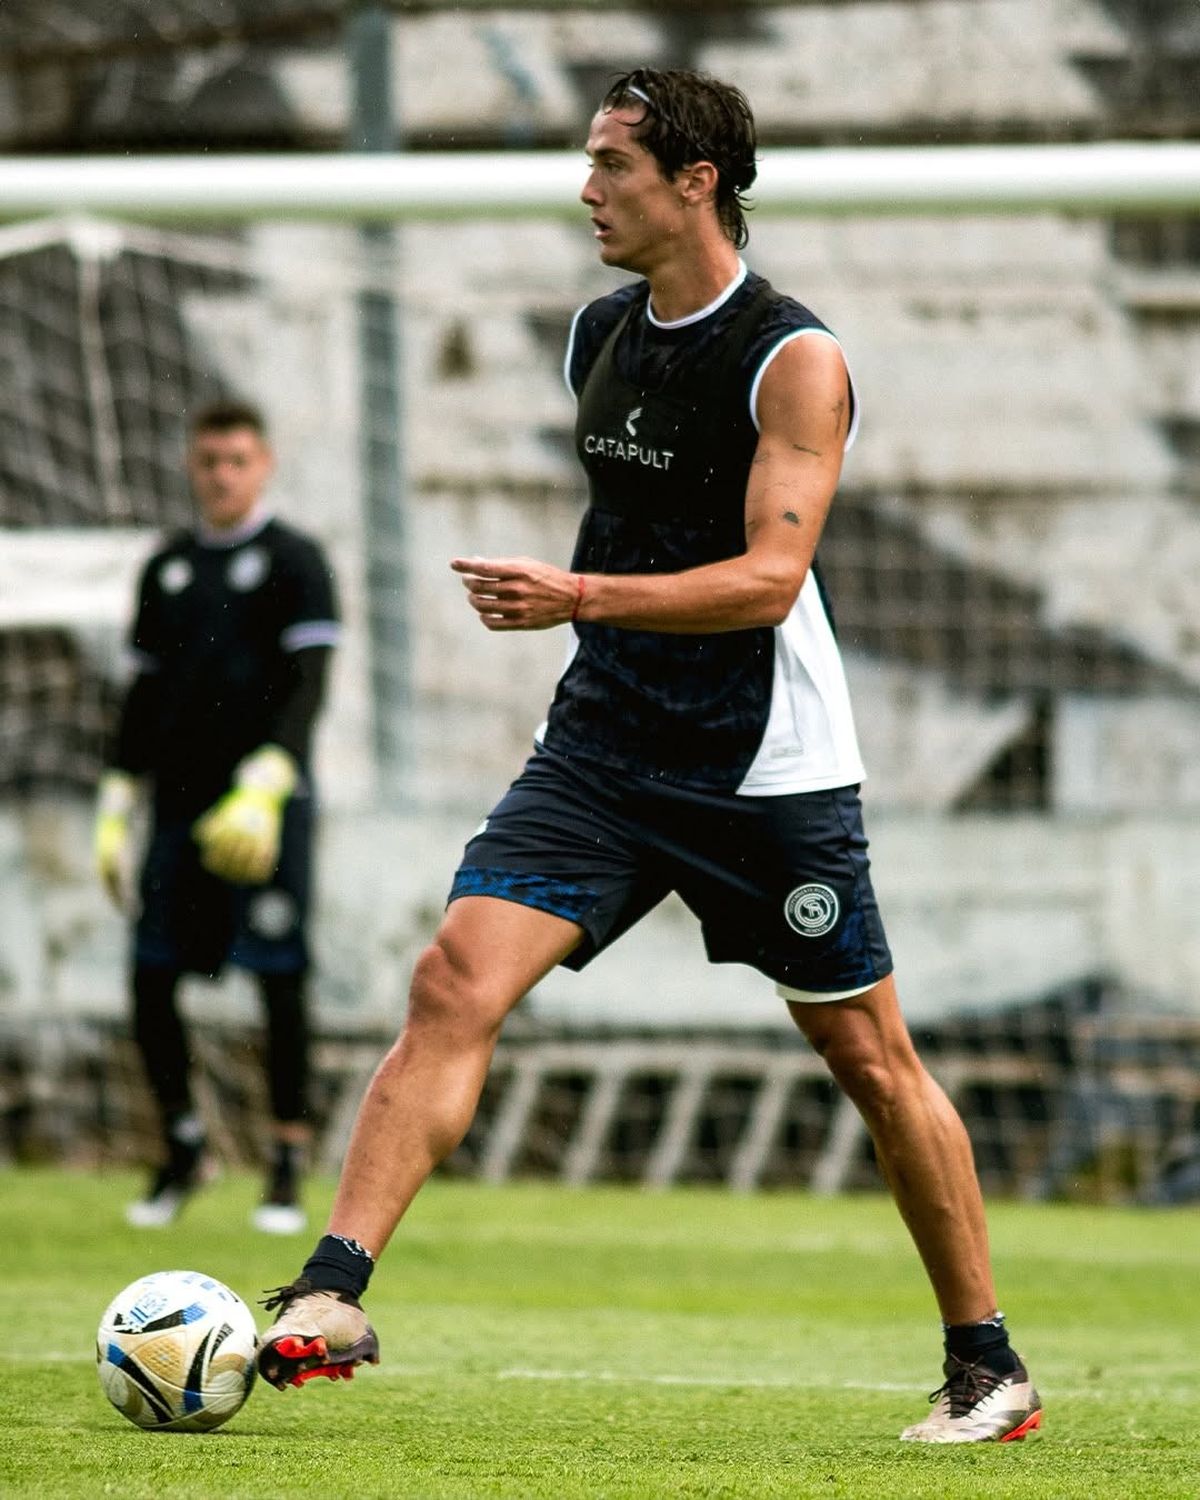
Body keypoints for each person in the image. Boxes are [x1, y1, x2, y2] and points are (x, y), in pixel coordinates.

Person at [255, 69, 1042, 1443]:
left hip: (760, 766)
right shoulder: (597, 335)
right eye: (589, 161)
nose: (587, 189)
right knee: (453, 979)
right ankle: (335, 1290)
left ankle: (988, 1363)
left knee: (869, 1055)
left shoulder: (795, 358)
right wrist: (589, 623)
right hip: (603, 747)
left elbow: (770, 579)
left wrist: (574, 598)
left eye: (613, 164)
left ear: (697, 182)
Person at [94, 398, 340, 1236]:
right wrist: (117, 792)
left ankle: (283, 1157)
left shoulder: (295, 561)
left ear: (263, 464)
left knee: (278, 975)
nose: (222, 475)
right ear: (191, 465)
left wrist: (273, 775)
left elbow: (310, 683)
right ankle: (183, 1143)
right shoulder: (166, 565)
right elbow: (143, 690)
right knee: (151, 973)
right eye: (209, 461)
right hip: (179, 809)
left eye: (238, 460)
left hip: (265, 806)